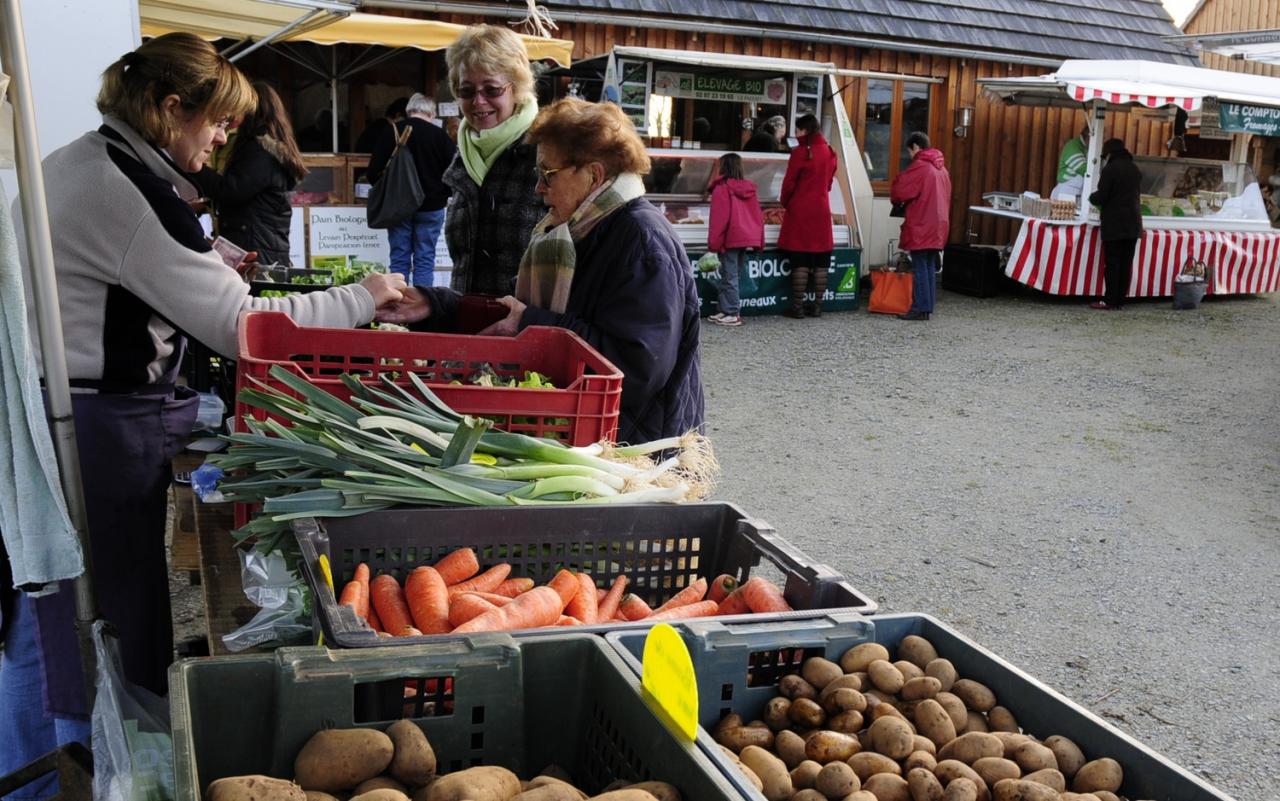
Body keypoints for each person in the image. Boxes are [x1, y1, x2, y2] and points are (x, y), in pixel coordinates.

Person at [0, 34, 406, 791]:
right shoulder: (127, 190)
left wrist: (200, 257)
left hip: (85, 409)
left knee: (55, 614)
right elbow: (243, 329)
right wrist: (364, 297)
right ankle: (81, 770)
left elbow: (130, 269)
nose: (223, 140)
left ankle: (57, 764)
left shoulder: (85, 160)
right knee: (102, 617)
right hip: (100, 425)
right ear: (167, 108)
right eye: (216, 122)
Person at [378, 98, 705, 444]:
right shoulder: (578, 228)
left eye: (547, 174)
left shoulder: (641, 240)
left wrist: (532, 322)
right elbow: (518, 312)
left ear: (593, 175)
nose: (538, 187)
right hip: (597, 440)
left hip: (635, 450)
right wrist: (437, 305)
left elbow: (635, 369)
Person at [441, 25, 544, 296]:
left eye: (492, 89)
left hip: (528, 328)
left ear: (516, 88)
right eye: (466, 90)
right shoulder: (464, 153)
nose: (478, 101)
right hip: (469, 325)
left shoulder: (546, 151)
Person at [194, 82, 306, 267]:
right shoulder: (263, 147)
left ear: (252, 109)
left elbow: (231, 190)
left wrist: (195, 166)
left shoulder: (260, 151)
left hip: (256, 252)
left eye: (239, 105)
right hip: (260, 247)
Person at [367, 93, 457, 287]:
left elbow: (373, 173)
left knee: (399, 258)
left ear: (409, 111)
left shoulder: (392, 131)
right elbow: (454, 173)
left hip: (398, 207)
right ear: (431, 113)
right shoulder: (440, 136)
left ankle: (396, 306)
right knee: (425, 259)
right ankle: (421, 308)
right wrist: (441, 194)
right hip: (432, 207)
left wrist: (389, 190)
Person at [777, 113, 837, 318]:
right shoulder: (830, 151)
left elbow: (789, 184)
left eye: (797, 130)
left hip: (800, 210)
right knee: (821, 261)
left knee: (800, 259)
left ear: (804, 130)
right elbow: (829, 182)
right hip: (821, 209)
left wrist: (786, 203)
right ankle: (818, 307)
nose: (795, 134)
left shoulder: (800, 153)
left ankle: (798, 307)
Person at [889, 131, 952, 321]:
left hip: (922, 222)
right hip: (939, 223)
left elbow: (900, 191)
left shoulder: (920, 166)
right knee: (929, 265)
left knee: (919, 265)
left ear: (916, 147)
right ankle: (927, 306)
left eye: (909, 151)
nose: (909, 156)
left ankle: (919, 308)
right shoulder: (942, 169)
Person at [706, 153, 764, 327]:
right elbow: (757, 216)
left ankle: (732, 312)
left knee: (729, 275)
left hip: (730, 238)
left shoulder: (721, 188)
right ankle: (724, 309)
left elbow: (719, 219)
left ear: (723, 168)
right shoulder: (749, 188)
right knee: (732, 274)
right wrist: (759, 240)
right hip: (745, 237)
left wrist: (713, 243)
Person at [1088, 138, 1143, 311]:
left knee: (1113, 263)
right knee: (1126, 263)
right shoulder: (1135, 169)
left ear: (1109, 154)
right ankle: (1120, 300)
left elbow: (1102, 196)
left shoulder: (1110, 169)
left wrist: (1090, 197)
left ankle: (1110, 300)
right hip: (1133, 223)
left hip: (1115, 223)